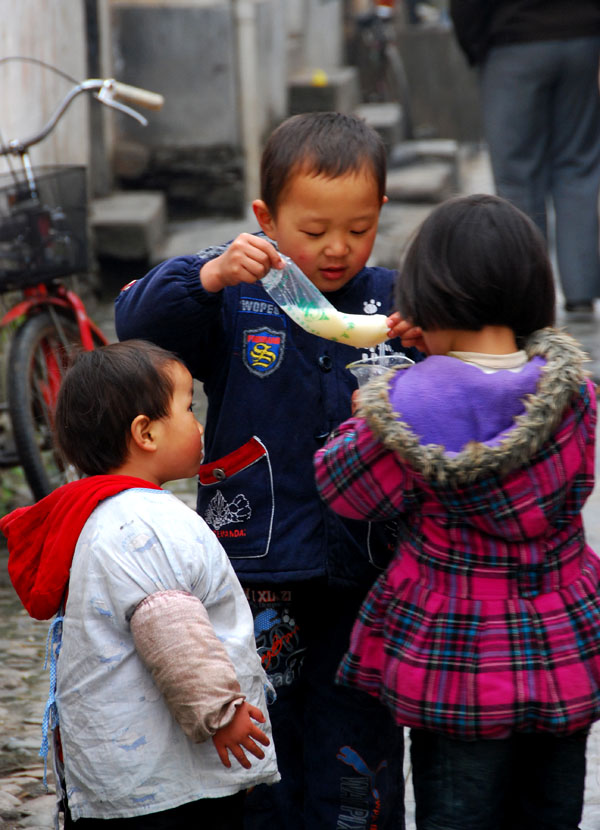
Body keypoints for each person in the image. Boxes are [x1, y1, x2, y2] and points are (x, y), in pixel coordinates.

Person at [115, 111, 421, 829]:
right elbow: (137, 325)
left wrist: (433, 339)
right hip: (253, 569)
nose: (337, 250)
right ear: (266, 217)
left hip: (369, 571)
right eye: (313, 232)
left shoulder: (398, 300)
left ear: (383, 210)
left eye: (357, 229)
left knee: (360, 743)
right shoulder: (237, 295)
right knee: (259, 738)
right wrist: (208, 273)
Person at [314, 193, 600, 829]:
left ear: (431, 297)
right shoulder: (573, 393)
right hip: (562, 654)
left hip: (458, 666)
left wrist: (374, 409)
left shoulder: (412, 405)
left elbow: (346, 489)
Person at [0, 340, 279, 829]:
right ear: (145, 433)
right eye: (188, 408)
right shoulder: (146, 523)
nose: (197, 424)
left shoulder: (98, 516)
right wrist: (220, 710)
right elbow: (169, 627)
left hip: (123, 776)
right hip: (170, 788)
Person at [450, 0, 600, 313]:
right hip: (581, 37)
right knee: (578, 164)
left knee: (517, 175)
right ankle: (581, 293)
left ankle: (530, 295)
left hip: (514, 40)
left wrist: (476, 45)